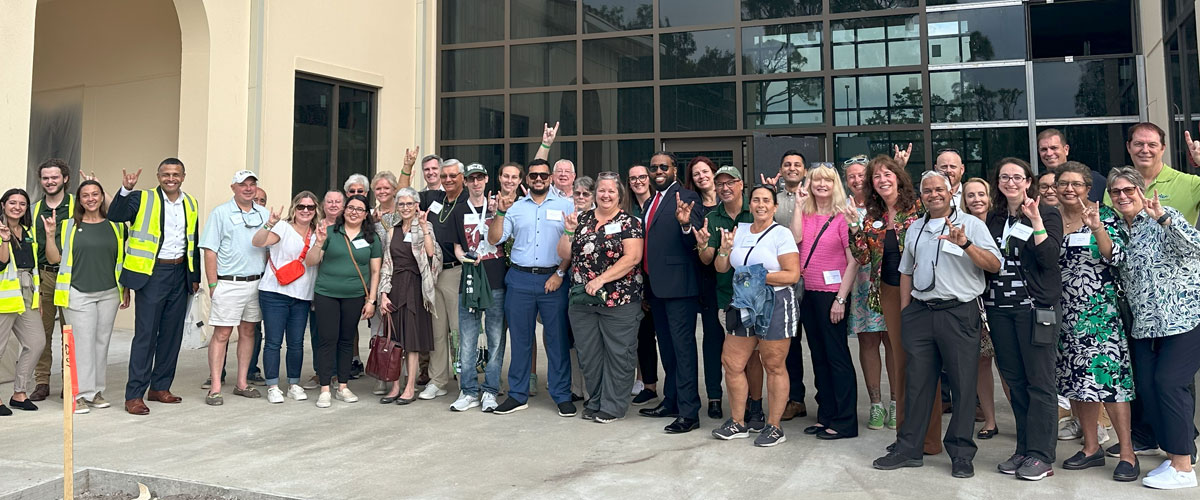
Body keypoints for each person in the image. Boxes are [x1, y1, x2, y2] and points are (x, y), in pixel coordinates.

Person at [872, 170, 1002, 479]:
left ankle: (960, 453)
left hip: (958, 313)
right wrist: (906, 312)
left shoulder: (972, 224)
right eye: (927, 190)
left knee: (962, 383)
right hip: (920, 313)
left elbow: (995, 264)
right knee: (917, 384)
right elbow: (906, 270)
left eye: (939, 189)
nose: (934, 194)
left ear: (950, 191)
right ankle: (908, 448)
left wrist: (966, 244)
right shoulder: (915, 227)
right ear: (922, 196)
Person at [1106, 124, 1200, 459]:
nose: (1122, 197)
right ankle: (1163, 442)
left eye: (1129, 191)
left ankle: (1182, 455)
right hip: (1143, 322)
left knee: (1169, 384)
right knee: (1146, 388)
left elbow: (1195, 247)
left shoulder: (1164, 214)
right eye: (1116, 192)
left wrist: (1163, 218)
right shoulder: (1119, 229)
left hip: (1181, 318)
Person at [850, 156, 944, 455]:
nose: (882, 179)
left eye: (887, 173)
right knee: (903, 366)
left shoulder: (918, 208)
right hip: (890, 293)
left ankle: (930, 439)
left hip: (922, 293)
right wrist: (855, 227)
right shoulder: (872, 214)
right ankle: (906, 436)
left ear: (899, 177)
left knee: (925, 365)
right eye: (876, 176)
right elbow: (863, 257)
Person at [1051, 162, 1137, 481]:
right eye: (1064, 183)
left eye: (1077, 184)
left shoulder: (1106, 218)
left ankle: (1126, 452)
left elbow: (1114, 256)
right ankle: (1090, 448)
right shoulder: (1050, 220)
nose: (1069, 189)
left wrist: (1097, 226)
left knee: (1110, 383)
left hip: (1098, 314)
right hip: (1062, 315)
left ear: (1089, 188)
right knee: (1077, 383)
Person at [985, 157, 1064, 481]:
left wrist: (1035, 222)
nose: (1011, 182)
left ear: (1028, 181)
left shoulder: (1047, 213)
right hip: (999, 310)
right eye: (1005, 177)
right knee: (1015, 383)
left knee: (1040, 383)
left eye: (1018, 177)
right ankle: (1024, 448)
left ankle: (1042, 456)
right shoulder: (994, 217)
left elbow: (1049, 259)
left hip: (1033, 310)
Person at [710, 184, 801, 446]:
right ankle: (738, 422)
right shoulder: (739, 232)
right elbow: (721, 266)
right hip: (742, 303)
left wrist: (755, 276)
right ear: (750, 205)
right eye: (756, 200)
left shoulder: (781, 234)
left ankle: (774, 426)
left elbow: (792, 275)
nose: (761, 205)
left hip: (774, 302)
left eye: (766, 201)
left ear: (774, 207)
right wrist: (725, 249)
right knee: (732, 363)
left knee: (773, 365)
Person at [109, 159, 200, 415]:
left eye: (176, 174)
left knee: (172, 336)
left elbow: (193, 240)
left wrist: (194, 276)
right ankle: (134, 394)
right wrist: (125, 189)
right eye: (166, 174)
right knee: (146, 336)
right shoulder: (142, 198)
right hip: (151, 274)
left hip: (180, 272)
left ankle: (160, 387)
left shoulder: (191, 203)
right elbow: (115, 215)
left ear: (183, 176)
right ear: (158, 176)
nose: (171, 178)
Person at [487, 158, 576, 416]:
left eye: (543, 175)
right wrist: (501, 213)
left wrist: (561, 272)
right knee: (521, 339)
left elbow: (572, 243)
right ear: (527, 179)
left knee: (556, 339)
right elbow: (494, 240)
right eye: (534, 175)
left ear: (550, 178)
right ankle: (517, 394)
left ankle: (561, 394)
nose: (539, 179)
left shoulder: (566, 206)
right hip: (520, 279)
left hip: (554, 278)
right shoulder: (514, 208)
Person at [559, 171, 644, 423]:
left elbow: (633, 257)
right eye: (601, 191)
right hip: (583, 301)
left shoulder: (630, 222)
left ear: (619, 195)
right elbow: (564, 253)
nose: (605, 195)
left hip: (619, 300)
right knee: (589, 354)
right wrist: (569, 232)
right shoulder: (581, 218)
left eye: (611, 191)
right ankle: (595, 401)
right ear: (595, 194)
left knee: (620, 352)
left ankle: (614, 406)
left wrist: (601, 279)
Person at [44, 180, 129, 414]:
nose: (90, 199)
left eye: (95, 194)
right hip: (78, 293)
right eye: (85, 195)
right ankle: (76, 394)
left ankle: (94, 392)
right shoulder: (69, 225)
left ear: (102, 197)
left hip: (109, 293)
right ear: (78, 200)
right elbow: (53, 259)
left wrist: (125, 291)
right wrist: (50, 236)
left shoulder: (116, 226)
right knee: (81, 344)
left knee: (101, 344)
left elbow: (122, 259)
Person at [635, 152, 705, 434]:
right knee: (668, 350)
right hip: (656, 288)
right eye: (653, 168)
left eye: (664, 167)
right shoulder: (651, 201)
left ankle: (689, 412)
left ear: (675, 170)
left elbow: (697, 235)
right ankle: (672, 400)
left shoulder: (688, 197)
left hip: (680, 288)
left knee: (683, 350)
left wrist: (686, 224)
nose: (658, 171)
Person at [793, 165, 861, 440]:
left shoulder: (843, 216)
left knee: (837, 358)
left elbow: (854, 260)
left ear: (835, 185)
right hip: (808, 293)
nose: (821, 184)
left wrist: (841, 299)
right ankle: (827, 415)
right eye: (816, 180)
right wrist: (798, 206)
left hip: (832, 295)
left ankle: (845, 422)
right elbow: (796, 239)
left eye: (827, 180)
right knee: (819, 358)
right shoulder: (807, 214)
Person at [693, 166, 764, 428]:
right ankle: (728, 403)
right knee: (728, 354)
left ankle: (755, 406)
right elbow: (708, 260)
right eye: (720, 183)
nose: (725, 188)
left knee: (753, 356)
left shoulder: (755, 211)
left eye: (730, 182)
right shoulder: (713, 218)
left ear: (741, 184)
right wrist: (703, 245)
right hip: (725, 295)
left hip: (755, 296)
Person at [399, 155, 468, 401]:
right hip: (433, 273)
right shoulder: (434, 198)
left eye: (452, 176)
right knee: (437, 331)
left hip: (458, 271)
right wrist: (407, 167)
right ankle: (438, 380)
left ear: (462, 178)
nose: (447, 180)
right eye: (444, 176)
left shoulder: (467, 200)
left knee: (459, 331)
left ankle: (465, 381)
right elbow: (402, 194)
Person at [199, 170, 269, 406]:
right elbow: (210, 250)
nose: (248, 188)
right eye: (243, 185)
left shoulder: (264, 214)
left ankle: (241, 383)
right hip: (229, 282)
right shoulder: (220, 213)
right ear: (233, 188)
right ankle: (216, 387)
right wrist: (213, 284)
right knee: (222, 335)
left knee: (249, 332)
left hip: (257, 282)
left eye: (252, 184)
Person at [305, 194, 381, 408]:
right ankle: (325, 388)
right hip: (327, 293)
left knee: (347, 340)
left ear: (366, 215)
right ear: (344, 210)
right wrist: (319, 243)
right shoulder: (329, 233)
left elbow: (375, 271)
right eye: (351, 208)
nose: (354, 212)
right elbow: (310, 262)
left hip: (355, 295)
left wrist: (372, 300)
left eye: (359, 209)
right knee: (327, 339)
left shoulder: (371, 238)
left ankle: (343, 386)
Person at [252, 191, 321, 404]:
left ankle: (293, 383)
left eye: (310, 207)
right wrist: (269, 224)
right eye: (302, 207)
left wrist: (319, 242)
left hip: (301, 295)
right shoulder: (282, 227)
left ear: (315, 210)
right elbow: (257, 242)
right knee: (273, 341)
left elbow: (311, 261)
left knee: (296, 342)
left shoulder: (318, 233)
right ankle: (273, 385)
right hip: (274, 292)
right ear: (295, 208)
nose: (306, 211)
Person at [450, 163, 507, 413]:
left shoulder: (497, 208)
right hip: (471, 281)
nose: (476, 183)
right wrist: (464, 257)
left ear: (486, 180)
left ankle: (490, 391)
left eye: (480, 178)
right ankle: (469, 391)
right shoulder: (459, 210)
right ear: (466, 182)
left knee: (495, 339)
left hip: (496, 280)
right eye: (471, 179)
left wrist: (498, 214)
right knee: (468, 338)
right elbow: (456, 246)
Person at [844, 155, 895, 431]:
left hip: (890, 284)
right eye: (851, 176)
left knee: (893, 343)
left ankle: (897, 403)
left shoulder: (886, 207)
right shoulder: (845, 208)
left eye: (862, 174)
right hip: (862, 286)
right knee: (868, 344)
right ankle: (876, 404)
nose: (857, 180)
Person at [378, 187, 440, 405]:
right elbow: (386, 264)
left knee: (411, 342)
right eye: (401, 204)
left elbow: (432, 254)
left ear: (416, 205)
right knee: (394, 340)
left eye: (409, 204)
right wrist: (383, 294)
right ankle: (395, 385)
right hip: (395, 288)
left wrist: (423, 228)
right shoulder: (392, 230)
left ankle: (410, 386)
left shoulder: (425, 226)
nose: (405, 208)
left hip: (415, 288)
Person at [960, 177, 1007, 439]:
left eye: (981, 194)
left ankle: (1021, 418)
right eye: (970, 195)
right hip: (975, 302)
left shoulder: (1002, 222)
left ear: (989, 197)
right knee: (981, 362)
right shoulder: (961, 225)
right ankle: (989, 420)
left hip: (1003, 300)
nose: (976, 199)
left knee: (1008, 364)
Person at [767, 150, 809, 421]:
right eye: (787, 165)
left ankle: (823, 400)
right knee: (788, 343)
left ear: (804, 170)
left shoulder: (815, 196)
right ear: (781, 170)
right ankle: (794, 398)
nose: (792, 168)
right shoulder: (773, 200)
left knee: (818, 343)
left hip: (812, 280)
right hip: (781, 282)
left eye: (797, 165)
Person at [684, 156, 726, 418]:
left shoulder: (731, 202)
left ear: (714, 172)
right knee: (711, 341)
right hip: (705, 279)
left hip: (731, 280)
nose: (701, 176)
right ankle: (714, 397)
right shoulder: (692, 205)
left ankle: (746, 399)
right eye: (696, 173)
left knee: (737, 344)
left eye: (705, 171)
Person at [29, 158, 73, 402]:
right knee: (42, 333)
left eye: (54, 177)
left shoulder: (78, 204)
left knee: (70, 331)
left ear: (65, 179)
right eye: (45, 178)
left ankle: (69, 382)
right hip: (44, 276)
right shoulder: (34, 209)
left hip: (72, 277)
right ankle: (42, 381)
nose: (50, 181)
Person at [0, 189, 47, 415]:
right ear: (3, 205)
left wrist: (37, 295)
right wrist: (4, 239)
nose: (17, 207)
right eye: (12, 202)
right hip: (3, 295)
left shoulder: (27, 231)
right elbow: (2, 263)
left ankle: (19, 393)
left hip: (27, 292)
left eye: (22, 203)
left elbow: (33, 265)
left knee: (36, 342)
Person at [302, 189, 346, 390]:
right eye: (330, 201)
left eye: (338, 202)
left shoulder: (351, 226)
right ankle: (322, 373)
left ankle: (339, 373)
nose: (334, 205)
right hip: (317, 286)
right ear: (323, 205)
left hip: (344, 288)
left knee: (341, 333)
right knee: (319, 332)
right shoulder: (315, 227)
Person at [626, 164, 659, 406]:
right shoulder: (626, 209)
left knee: (663, 335)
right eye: (633, 178)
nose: (638, 181)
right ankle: (648, 384)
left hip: (657, 276)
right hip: (633, 277)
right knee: (643, 334)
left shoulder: (658, 203)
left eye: (641, 177)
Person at [1037, 128, 1106, 202]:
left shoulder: (1095, 180)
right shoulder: (1034, 183)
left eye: (1054, 148)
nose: (1049, 153)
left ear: (1066, 149)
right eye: (1044, 149)